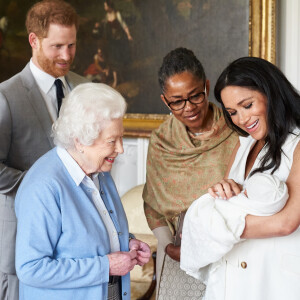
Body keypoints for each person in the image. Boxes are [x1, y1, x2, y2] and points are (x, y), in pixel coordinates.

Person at [15, 83, 151, 300]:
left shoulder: (100, 172)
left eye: (121, 138)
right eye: (111, 141)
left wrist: (127, 242)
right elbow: (31, 268)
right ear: (80, 140)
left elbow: (87, 239)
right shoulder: (43, 187)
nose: (121, 149)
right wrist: (105, 266)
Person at [0, 1, 87, 298]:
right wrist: (41, 185)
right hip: (23, 238)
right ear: (34, 41)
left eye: (72, 45)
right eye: (57, 46)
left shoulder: (84, 88)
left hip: (78, 244)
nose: (66, 56)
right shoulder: (5, 96)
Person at [142, 47, 239, 299]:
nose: (189, 108)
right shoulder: (161, 141)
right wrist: (169, 247)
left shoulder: (236, 131)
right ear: (165, 100)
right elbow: (153, 205)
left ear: (206, 87)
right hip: (178, 252)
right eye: (177, 101)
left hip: (231, 245)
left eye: (196, 96)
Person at [207, 56, 300, 300]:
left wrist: (215, 226)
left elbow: (287, 222)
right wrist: (223, 189)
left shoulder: (297, 144)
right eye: (233, 112)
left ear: (270, 92)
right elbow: (225, 205)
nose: (242, 119)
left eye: (247, 105)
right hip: (232, 275)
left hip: (274, 280)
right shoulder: (243, 145)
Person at [181, 173, 288, 299]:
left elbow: (285, 224)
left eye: (246, 192)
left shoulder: (244, 205)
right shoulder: (240, 153)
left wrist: (199, 231)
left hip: (260, 269)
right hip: (226, 268)